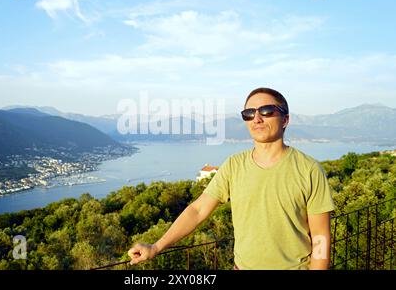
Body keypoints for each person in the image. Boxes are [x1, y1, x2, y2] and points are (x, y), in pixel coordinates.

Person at [127, 87, 335, 270]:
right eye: (249, 113)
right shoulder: (234, 165)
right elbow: (197, 210)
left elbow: (320, 238)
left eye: (266, 111)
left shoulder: (309, 169)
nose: (257, 118)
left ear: (285, 119)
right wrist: (156, 246)